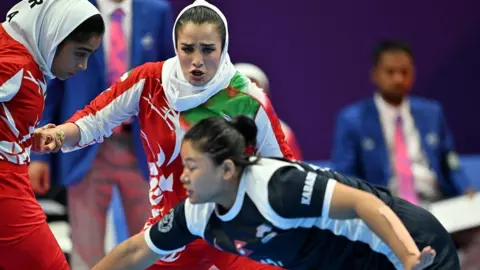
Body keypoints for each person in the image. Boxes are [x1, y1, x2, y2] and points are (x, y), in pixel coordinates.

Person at [33, 0, 292, 269]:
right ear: (175, 45)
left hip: (234, 234)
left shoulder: (248, 98)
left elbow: (283, 172)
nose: (197, 61)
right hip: (169, 235)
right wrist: (59, 135)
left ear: (224, 48)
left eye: (208, 49)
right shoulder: (150, 82)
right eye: (187, 49)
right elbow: (94, 120)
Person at [91, 115, 460, 270]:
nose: (182, 177)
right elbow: (136, 250)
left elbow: (366, 204)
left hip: (410, 246)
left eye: (192, 166)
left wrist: (410, 259)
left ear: (227, 169)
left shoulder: (277, 188)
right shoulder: (198, 213)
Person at [27, 0, 174, 268]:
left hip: (141, 146)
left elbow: (171, 80)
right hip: (82, 147)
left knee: (150, 243)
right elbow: (53, 81)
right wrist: (38, 158)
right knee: (86, 245)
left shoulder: (156, 10)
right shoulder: (74, 9)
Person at [0, 0, 104, 269]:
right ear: (54, 36)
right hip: (8, 196)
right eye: (80, 53)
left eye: (90, 55)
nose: (83, 65)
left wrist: (22, 136)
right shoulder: (14, 64)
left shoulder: (23, 57)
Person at [332, 40, 474, 204]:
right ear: (375, 74)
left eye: (404, 72)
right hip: (386, 207)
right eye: (390, 72)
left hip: (437, 203)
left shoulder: (432, 112)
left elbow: (450, 162)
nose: (398, 79)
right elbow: (345, 175)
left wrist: (466, 190)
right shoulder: (352, 119)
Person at [234, 62, 303, 160]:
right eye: (240, 88)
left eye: (254, 89)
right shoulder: (212, 128)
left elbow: (293, 170)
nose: (247, 95)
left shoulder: (283, 132)